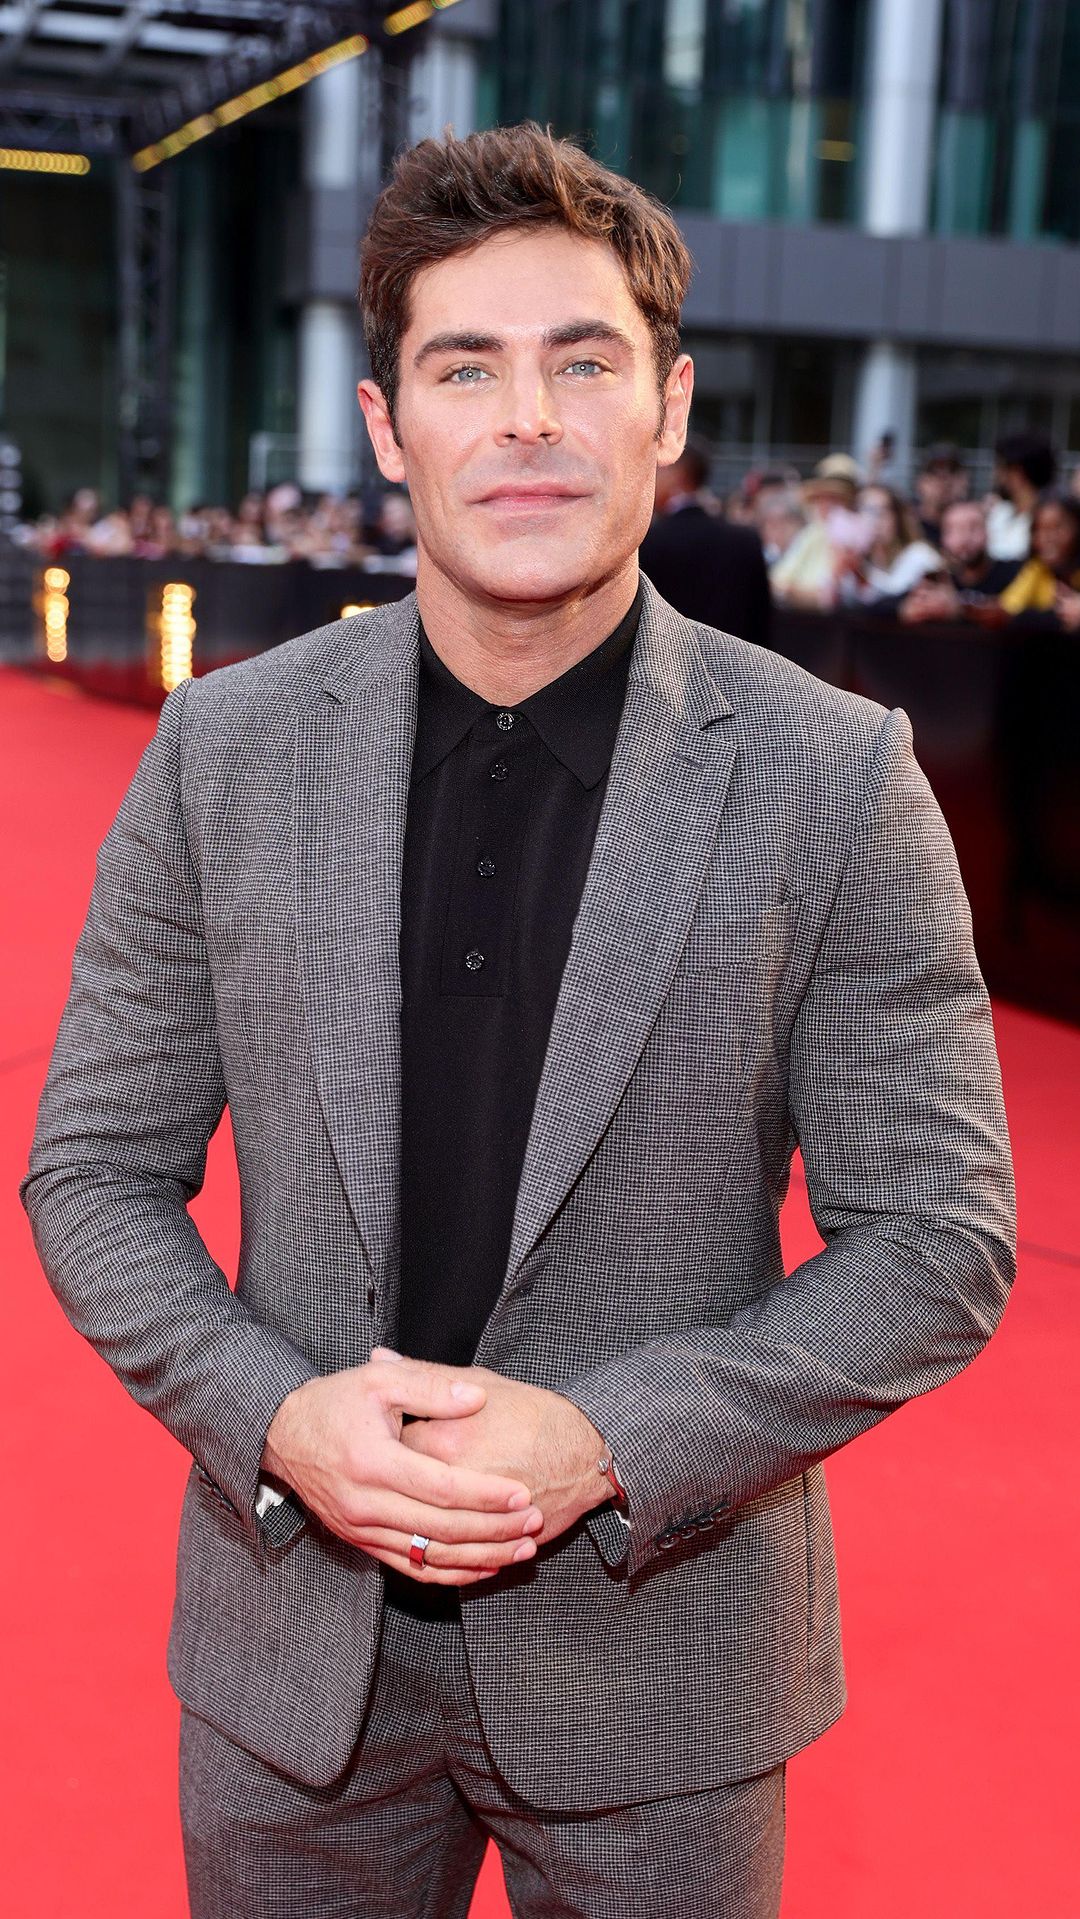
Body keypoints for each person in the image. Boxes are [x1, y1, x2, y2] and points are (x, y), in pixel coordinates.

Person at [22, 123, 1015, 1919]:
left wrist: (615, 1440)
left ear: (672, 405)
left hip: (664, 1671)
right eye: (466, 367)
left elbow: (937, 1239)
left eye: (584, 362)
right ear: (389, 422)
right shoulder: (225, 750)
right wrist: (275, 1414)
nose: (529, 419)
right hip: (291, 1659)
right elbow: (92, 1167)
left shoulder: (834, 775)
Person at [639, 441, 772, 647]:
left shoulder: (649, 540)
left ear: (678, 474)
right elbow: (762, 619)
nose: (649, 478)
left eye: (657, 469)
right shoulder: (745, 539)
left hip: (668, 657)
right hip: (738, 659)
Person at [899, 498, 1020, 623]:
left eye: (973, 527)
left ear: (988, 532)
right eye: (955, 530)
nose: (965, 538)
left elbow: (1021, 613)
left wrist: (960, 610)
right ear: (943, 538)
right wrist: (906, 608)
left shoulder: (1015, 573)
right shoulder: (935, 578)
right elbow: (891, 602)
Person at [768, 451, 863, 608]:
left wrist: (788, 591)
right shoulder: (811, 532)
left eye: (834, 498)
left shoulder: (854, 536)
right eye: (821, 498)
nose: (825, 504)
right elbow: (778, 579)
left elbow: (826, 597)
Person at [834, 484, 942, 604]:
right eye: (867, 510)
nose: (875, 520)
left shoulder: (920, 555)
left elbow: (896, 596)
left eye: (882, 511)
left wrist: (860, 571)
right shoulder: (858, 562)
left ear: (897, 517)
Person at [998, 489, 1080, 631]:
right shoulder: (1037, 569)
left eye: (1057, 528)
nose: (1047, 538)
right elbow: (1006, 609)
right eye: (1039, 529)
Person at [986, 432, 1057, 561]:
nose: (995, 475)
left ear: (1017, 472)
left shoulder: (1048, 523)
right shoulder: (999, 512)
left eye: (1000, 467)